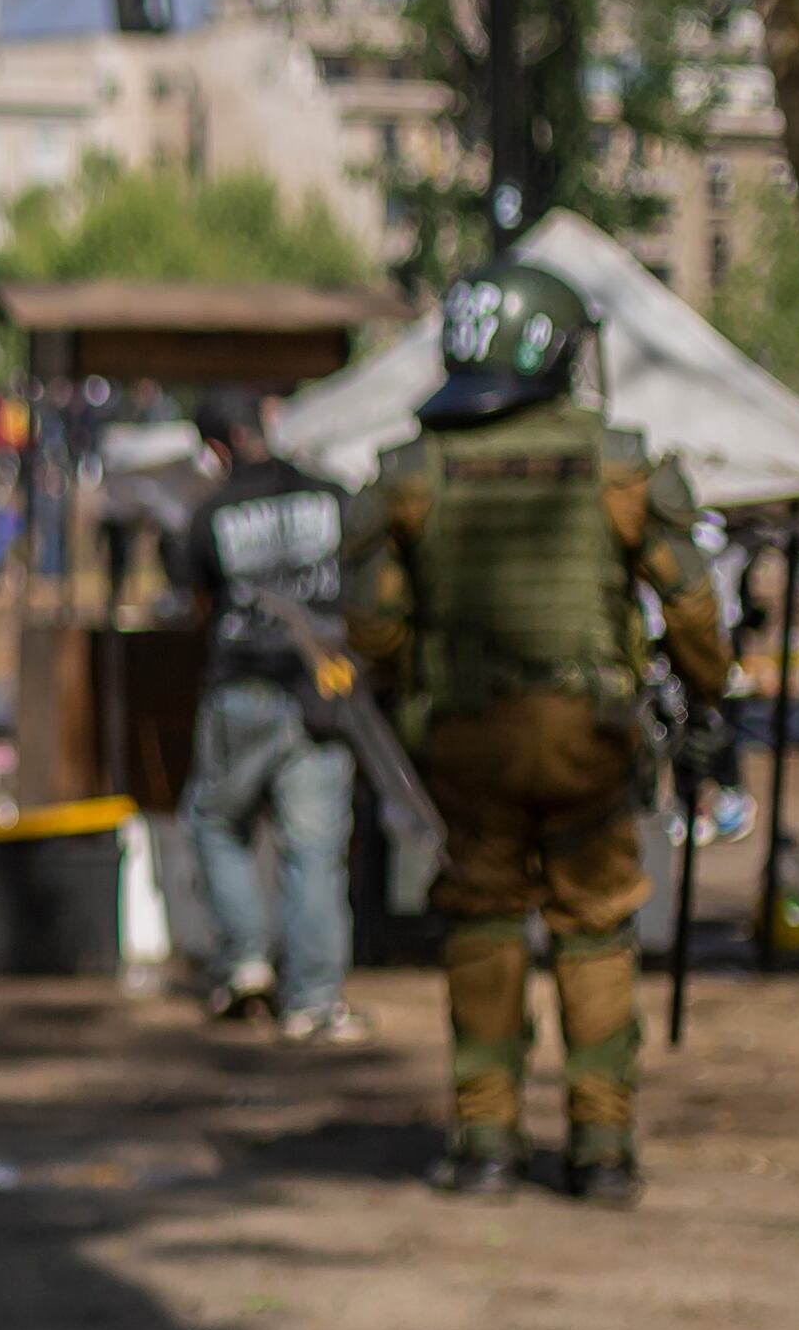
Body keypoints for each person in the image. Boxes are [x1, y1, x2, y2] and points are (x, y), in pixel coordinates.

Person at [345, 261, 734, 1203]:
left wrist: (408, 693)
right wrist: (708, 691)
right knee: (595, 927)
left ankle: (486, 1143)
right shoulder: (621, 465)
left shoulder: (409, 475)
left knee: (482, 923)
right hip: (587, 740)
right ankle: (602, 1148)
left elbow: (373, 628)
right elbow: (691, 607)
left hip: (463, 740)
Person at [167, 388, 361, 1042]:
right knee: (315, 850)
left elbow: (196, 600)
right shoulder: (331, 496)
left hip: (242, 691)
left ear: (216, 447)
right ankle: (314, 1001)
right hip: (321, 692)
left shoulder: (212, 512)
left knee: (214, 821)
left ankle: (245, 958)